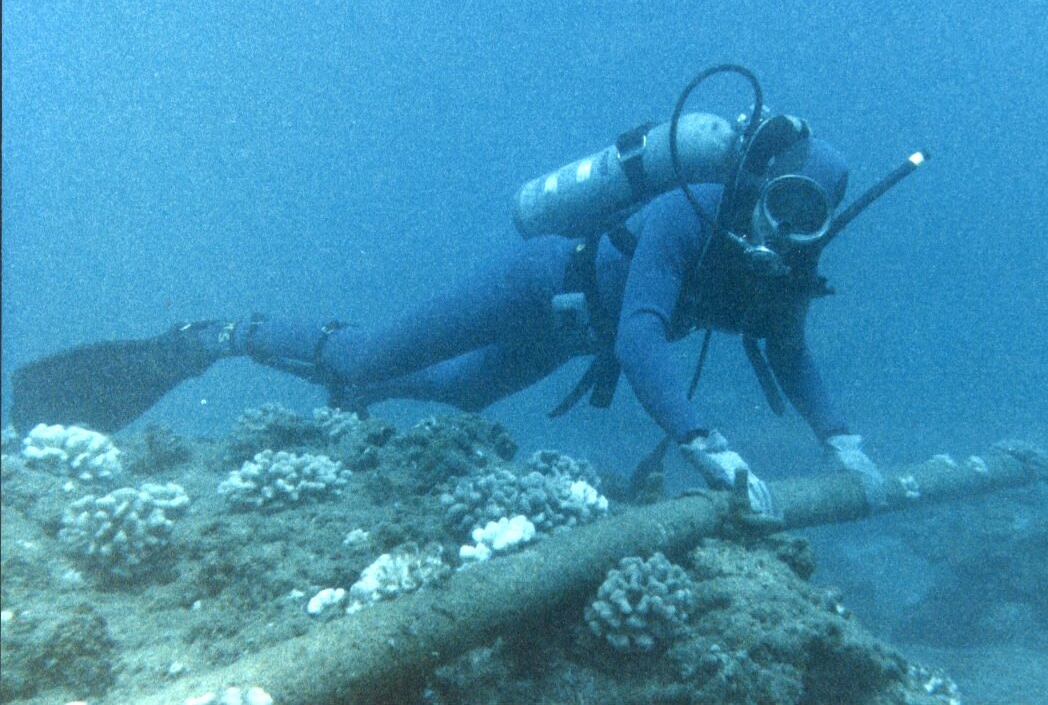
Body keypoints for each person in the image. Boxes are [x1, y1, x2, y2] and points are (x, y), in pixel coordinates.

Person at [12, 69, 901, 517]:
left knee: (461, 391)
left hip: (568, 334)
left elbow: (791, 354)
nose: (789, 227)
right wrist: (708, 444)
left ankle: (351, 390)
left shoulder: (781, 262)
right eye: (781, 203)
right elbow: (640, 336)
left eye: (808, 214)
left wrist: (846, 445)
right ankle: (221, 334)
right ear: (751, 187)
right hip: (541, 285)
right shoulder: (690, 211)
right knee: (370, 351)